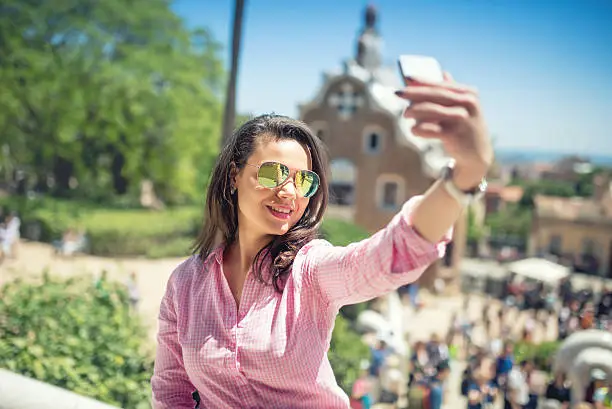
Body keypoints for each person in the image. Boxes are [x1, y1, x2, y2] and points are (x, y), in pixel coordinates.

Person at [151, 72, 493, 408]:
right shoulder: (185, 285)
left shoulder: (310, 271)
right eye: (273, 173)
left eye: (304, 181)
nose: (288, 192)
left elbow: (385, 257)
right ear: (233, 177)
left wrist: (464, 176)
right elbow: (171, 392)